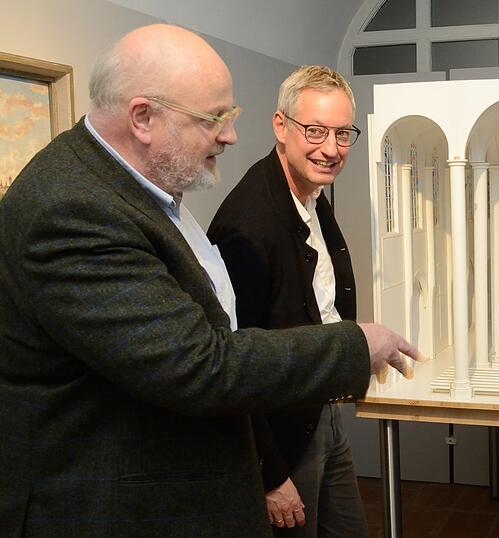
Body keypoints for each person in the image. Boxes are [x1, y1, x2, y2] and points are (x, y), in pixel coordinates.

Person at [0, 24, 419, 537]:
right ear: (142, 118)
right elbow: (198, 364)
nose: (229, 135)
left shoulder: (137, 192)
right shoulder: (72, 210)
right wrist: (354, 346)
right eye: (213, 118)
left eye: (231, 115)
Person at [207, 66, 366, 536]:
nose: (331, 148)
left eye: (342, 133)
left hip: (320, 409)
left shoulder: (311, 194)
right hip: (280, 434)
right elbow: (233, 361)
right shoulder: (248, 225)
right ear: (281, 126)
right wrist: (270, 476)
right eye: (315, 131)